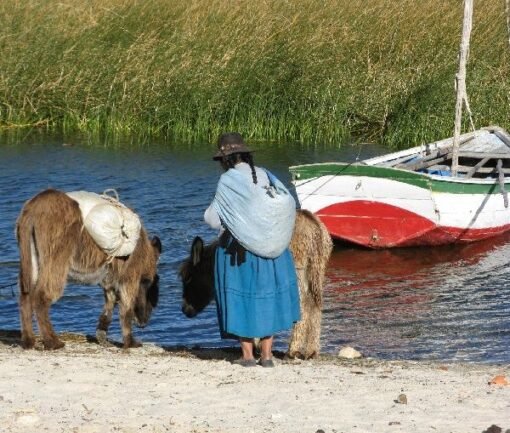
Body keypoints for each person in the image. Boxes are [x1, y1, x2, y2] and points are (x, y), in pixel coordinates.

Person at [204, 132, 301, 367]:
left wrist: (235, 219)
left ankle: (247, 356)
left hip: (241, 252)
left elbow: (212, 219)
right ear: (246, 155)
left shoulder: (228, 180)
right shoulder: (266, 175)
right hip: (273, 250)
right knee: (267, 298)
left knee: (240, 299)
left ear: (225, 159)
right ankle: (267, 356)